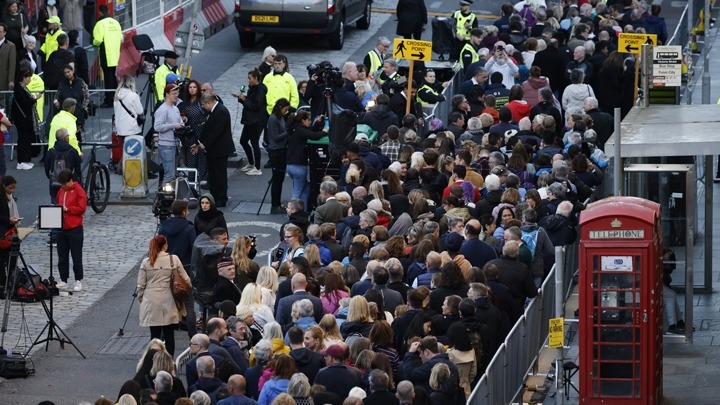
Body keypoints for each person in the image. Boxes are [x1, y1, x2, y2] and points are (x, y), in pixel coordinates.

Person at [137, 234, 191, 356]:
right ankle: (169, 361)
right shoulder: (174, 259)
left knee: (154, 335)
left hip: (151, 299)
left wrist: (141, 299)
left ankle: (153, 360)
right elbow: (186, 279)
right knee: (169, 334)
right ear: (165, 245)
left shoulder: (146, 262)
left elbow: (141, 285)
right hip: (169, 299)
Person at [197, 92, 235, 208]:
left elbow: (216, 132)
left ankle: (221, 198)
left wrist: (205, 144)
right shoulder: (215, 111)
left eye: (203, 105)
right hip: (214, 150)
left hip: (220, 150)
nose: (203, 107)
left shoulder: (221, 111)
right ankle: (214, 196)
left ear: (208, 102)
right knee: (213, 176)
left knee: (219, 175)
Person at [285, 109, 328, 208]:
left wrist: (317, 123)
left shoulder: (294, 129)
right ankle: (292, 211)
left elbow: (310, 131)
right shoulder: (300, 130)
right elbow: (313, 135)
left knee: (306, 188)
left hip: (290, 165)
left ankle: (303, 210)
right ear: (303, 121)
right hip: (299, 166)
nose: (309, 121)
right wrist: (324, 132)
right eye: (308, 120)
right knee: (297, 192)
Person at [234, 69, 268, 176]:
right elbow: (250, 102)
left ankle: (257, 168)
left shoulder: (260, 91)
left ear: (256, 78)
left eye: (250, 78)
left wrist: (244, 99)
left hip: (256, 121)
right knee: (243, 141)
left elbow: (255, 106)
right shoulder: (252, 89)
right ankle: (251, 162)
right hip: (250, 120)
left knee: (254, 143)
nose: (248, 80)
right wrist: (241, 98)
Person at [178, 79, 209, 186]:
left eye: (194, 87)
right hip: (190, 134)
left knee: (202, 157)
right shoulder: (185, 103)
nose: (192, 89)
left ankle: (203, 181)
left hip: (201, 132)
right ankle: (191, 183)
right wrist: (183, 117)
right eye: (190, 87)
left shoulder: (202, 101)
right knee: (191, 157)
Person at [92, 4, 121, 107]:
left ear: (100, 12)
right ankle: (116, 97)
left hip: (106, 53)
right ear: (108, 11)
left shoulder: (100, 24)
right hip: (115, 53)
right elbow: (121, 38)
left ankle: (109, 100)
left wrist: (94, 43)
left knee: (108, 78)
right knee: (112, 76)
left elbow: (98, 40)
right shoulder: (116, 22)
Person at [154, 84, 183, 185]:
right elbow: (157, 127)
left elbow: (179, 123)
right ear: (167, 94)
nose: (176, 95)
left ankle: (170, 196)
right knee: (169, 175)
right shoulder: (163, 109)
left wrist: (181, 125)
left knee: (173, 174)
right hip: (166, 145)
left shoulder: (175, 109)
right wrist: (173, 125)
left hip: (174, 144)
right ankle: (165, 198)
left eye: (177, 93)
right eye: (173, 93)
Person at [44, 128, 82, 204]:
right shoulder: (72, 151)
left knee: (55, 207)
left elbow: (47, 167)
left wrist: (51, 177)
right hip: (69, 183)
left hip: (55, 183)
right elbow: (78, 167)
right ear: (65, 138)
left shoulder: (51, 151)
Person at [54, 64, 89, 144]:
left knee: (77, 136)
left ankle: (78, 153)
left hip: (78, 113)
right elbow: (56, 96)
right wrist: (56, 102)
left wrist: (82, 108)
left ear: (73, 71)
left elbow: (86, 96)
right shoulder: (62, 83)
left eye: (68, 72)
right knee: (66, 135)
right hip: (65, 115)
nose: (67, 74)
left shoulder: (80, 82)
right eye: (65, 73)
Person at [267, 98, 291, 214]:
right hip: (276, 151)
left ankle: (277, 203)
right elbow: (275, 137)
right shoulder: (273, 119)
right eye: (285, 109)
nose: (286, 112)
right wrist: (288, 131)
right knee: (277, 179)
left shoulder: (280, 117)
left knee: (279, 179)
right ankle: (274, 205)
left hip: (281, 149)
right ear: (280, 107)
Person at [11, 65, 37, 170]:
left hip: (23, 118)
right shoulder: (19, 89)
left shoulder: (21, 88)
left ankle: (25, 160)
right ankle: (21, 161)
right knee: (23, 140)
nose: (29, 79)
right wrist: (34, 98)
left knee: (26, 139)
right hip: (22, 119)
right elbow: (26, 103)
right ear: (23, 77)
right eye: (28, 77)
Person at [0, 176, 20, 292]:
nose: (12, 191)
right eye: (10, 188)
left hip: (10, 233)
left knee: (11, 260)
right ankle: (3, 284)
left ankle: (10, 282)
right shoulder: (2, 198)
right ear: (4, 186)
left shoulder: (10, 197)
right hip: (3, 234)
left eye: (13, 188)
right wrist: (8, 219)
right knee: (2, 260)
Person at [0, 23, 16, 105]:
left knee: (3, 102)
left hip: (4, 78)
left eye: (0, 31)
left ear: (5, 33)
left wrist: (11, 80)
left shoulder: (11, 46)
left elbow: (12, 64)